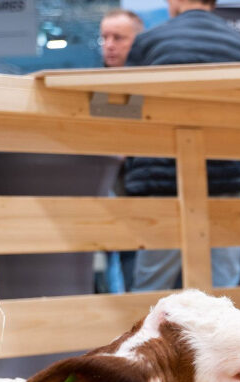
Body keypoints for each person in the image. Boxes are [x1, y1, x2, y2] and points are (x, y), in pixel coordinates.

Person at [125, 0, 240, 291]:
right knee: (223, 289)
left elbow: (129, 109)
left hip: (163, 180)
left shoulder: (150, 41)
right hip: (226, 178)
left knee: (151, 287)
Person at [95, 9, 144, 293]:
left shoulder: (153, 85)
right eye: (104, 37)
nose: (109, 44)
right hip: (108, 195)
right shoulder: (92, 89)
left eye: (118, 38)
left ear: (137, 41)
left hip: (147, 195)